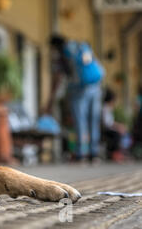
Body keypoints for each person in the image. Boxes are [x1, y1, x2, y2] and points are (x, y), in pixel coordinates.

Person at [47, 34, 104, 163]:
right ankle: (94, 153)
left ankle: (80, 153)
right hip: (95, 86)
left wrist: (51, 99)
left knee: (80, 121)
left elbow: (58, 77)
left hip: (77, 89)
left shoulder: (61, 55)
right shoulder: (80, 46)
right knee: (93, 120)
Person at [102, 88, 131, 162]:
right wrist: (118, 127)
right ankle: (114, 153)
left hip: (109, 128)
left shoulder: (109, 108)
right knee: (117, 135)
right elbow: (108, 123)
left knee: (122, 133)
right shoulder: (105, 108)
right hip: (106, 130)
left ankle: (121, 152)